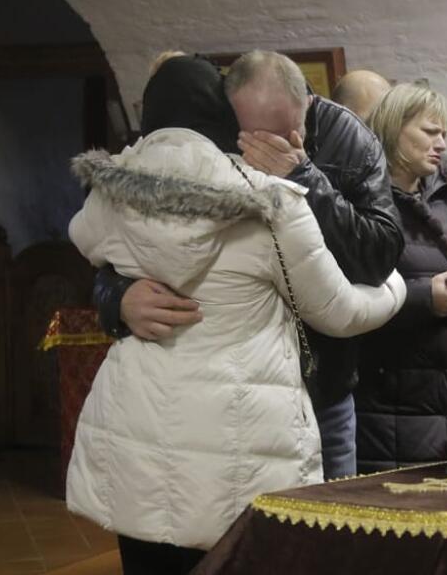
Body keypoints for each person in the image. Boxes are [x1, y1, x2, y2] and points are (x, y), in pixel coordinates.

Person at [65, 54, 405, 575]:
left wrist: (119, 284)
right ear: (224, 117)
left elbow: (82, 235)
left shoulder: (108, 201)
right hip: (239, 434)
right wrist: (399, 287)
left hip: (140, 427)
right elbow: (341, 310)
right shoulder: (267, 203)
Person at [92, 50, 404, 479]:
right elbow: (128, 248)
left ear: (307, 107)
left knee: (329, 533)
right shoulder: (210, 143)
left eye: (282, 135)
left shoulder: (345, 137)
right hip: (222, 397)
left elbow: (378, 257)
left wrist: (305, 178)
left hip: (322, 384)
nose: (261, 153)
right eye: (248, 137)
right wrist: (117, 299)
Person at [354, 82, 447, 472]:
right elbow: (346, 304)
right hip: (395, 407)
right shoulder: (364, 205)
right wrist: (424, 300)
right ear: (394, 128)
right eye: (430, 132)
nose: (442, 144)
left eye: (444, 134)